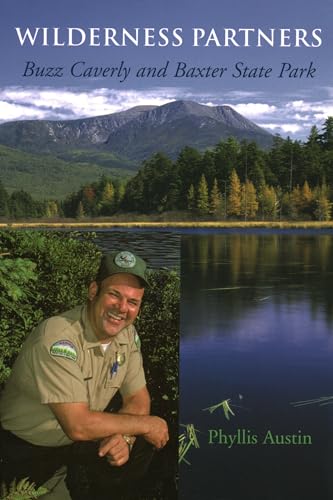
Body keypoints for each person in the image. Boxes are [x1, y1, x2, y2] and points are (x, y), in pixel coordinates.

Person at [0, 250, 169, 499]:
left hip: (72, 446)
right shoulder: (58, 337)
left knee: (141, 445)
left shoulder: (127, 335)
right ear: (93, 292)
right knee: (148, 429)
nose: (122, 308)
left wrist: (125, 437)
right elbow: (78, 424)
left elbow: (137, 398)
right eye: (114, 295)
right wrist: (146, 425)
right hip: (24, 449)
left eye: (133, 302)